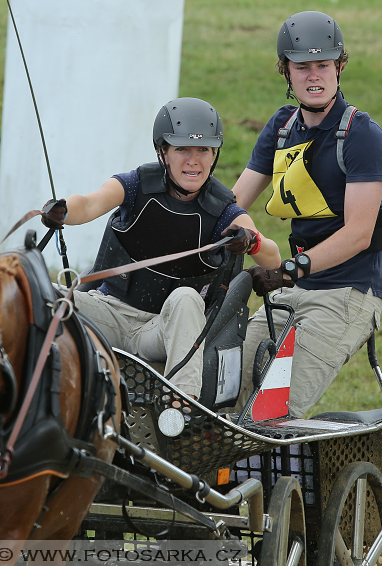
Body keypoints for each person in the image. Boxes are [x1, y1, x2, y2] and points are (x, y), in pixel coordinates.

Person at [41, 97, 280, 400]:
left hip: (160, 331)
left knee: (186, 298)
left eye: (203, 150)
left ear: (214, 155)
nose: (193, 160)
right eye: (182, 149)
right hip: (108, 313)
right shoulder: (136, 184)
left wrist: (251, 240)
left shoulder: (224, 210)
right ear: (163, 152)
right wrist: (62, 210)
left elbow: (272, 258)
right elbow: (89, 203)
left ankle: (181, 406)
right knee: (42, 296)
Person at [232, 11, 382, 417]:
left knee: (270, 410)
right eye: (302, 66)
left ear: (339, 67)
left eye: (323, 64)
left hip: (348, 294)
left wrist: (288, 269)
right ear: (286, 71)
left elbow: (359, 233)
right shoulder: (283, 126)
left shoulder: (362, 135)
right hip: (293, 288)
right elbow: (232, 205)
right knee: (225, 387)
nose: (314, 75)